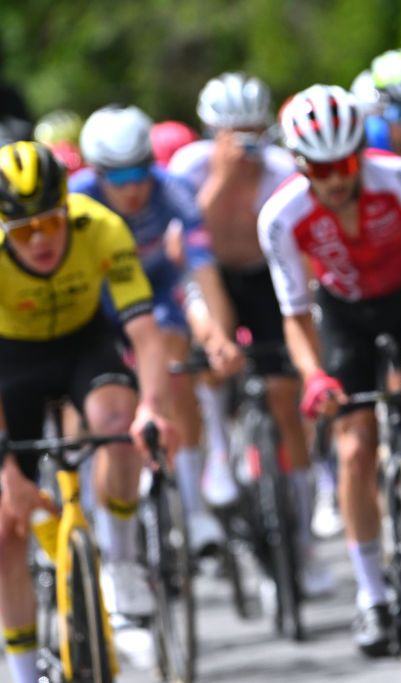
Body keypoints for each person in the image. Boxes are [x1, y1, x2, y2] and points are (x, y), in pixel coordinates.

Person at [259, 84, 401, 655]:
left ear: (361, 151)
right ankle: (372, 595)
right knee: (354, 446)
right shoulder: (282, 217)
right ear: (301, 165)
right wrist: (314, 377)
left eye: (344, 163)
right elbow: (296, 314)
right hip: (343, 314)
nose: (334, 179)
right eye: (320, 168)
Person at [0, 141, 177, 683]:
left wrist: (151, 407)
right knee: (5, 525)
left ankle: (121, 565)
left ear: (67, 211)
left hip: (83, 343)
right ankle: (24, 671)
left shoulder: (100, 225)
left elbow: (145, 336)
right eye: (23, 231)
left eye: (50, 223)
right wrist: (8, 470)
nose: (40, 240)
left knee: (117, 425)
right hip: (11, 359)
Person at [168, 74, 332, 598]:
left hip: (264, 277)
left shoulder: (282, 169)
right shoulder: (190, 169)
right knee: (215, 354)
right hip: (211, 271)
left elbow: (296, 247)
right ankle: (219, 446)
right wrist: (223, 178)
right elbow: (184, 245)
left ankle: (301, 541)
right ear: (210, 133)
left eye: (253, 132)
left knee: (286, 402)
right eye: (231, 133)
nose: (245, 143)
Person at [72, 104, 237, 555]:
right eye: (118, 179)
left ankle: (194, 507)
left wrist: (218, 335)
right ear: (97, 172)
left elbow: (203, 271)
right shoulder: (77, 197)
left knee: (173, 370)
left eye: (141, 173)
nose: (134, 189)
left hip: (156, 294)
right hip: (96, 306)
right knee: (90, 411)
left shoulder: (174, 189)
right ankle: (95, 517)